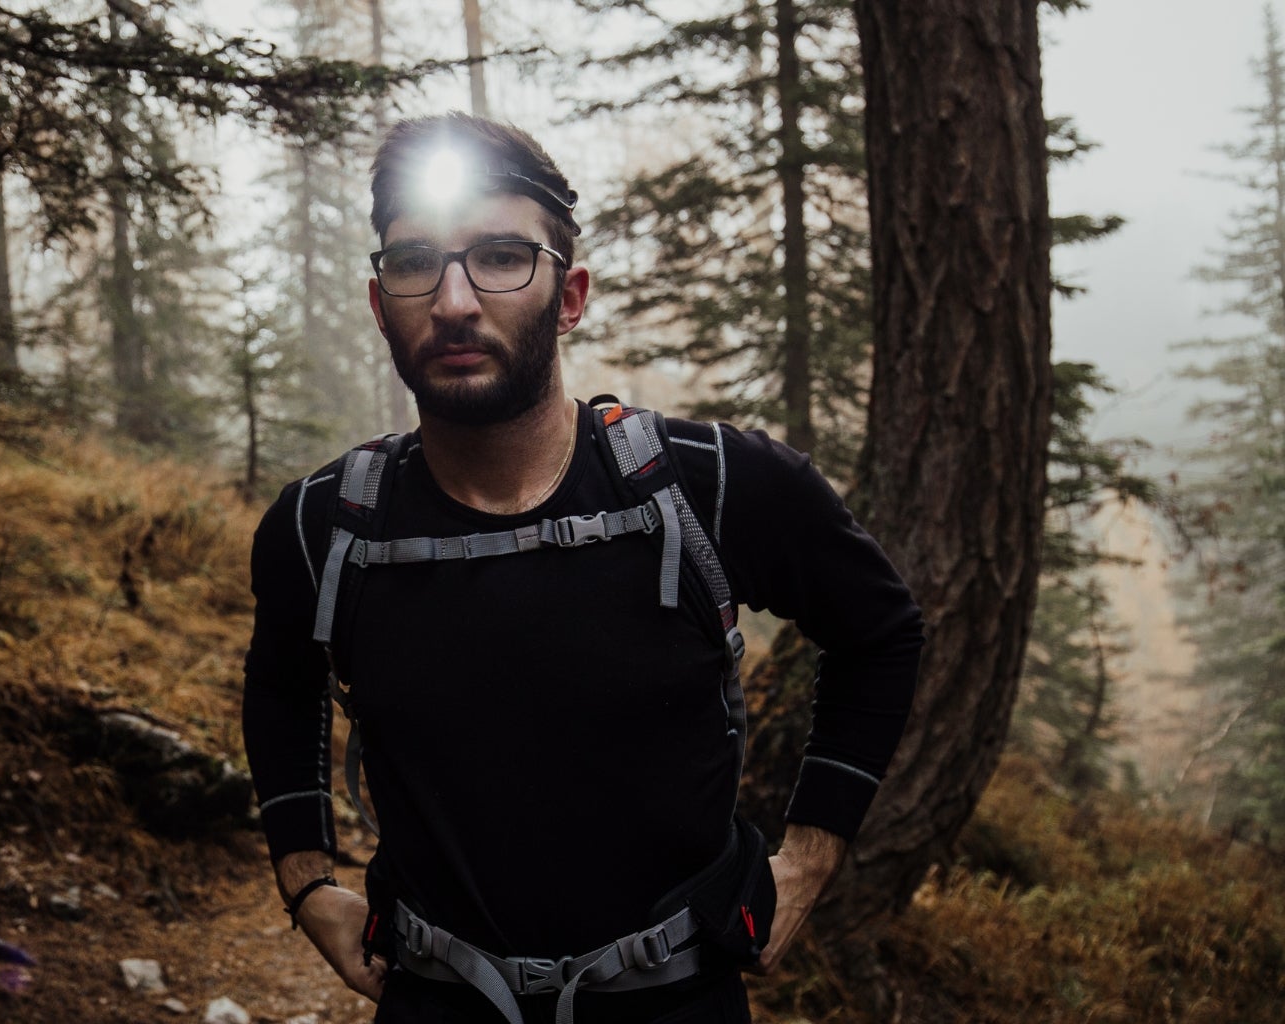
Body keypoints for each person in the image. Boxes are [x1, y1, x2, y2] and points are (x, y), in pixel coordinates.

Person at [240, 112, 925, 1024]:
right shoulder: (320, 526)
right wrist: (307, 879)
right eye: (414, 263)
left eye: (499, 257)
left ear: (570, 297)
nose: (453, 301)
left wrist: (806, 862)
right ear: (380, 304)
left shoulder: (714, 486)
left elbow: (880, 630)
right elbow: (280, 683)